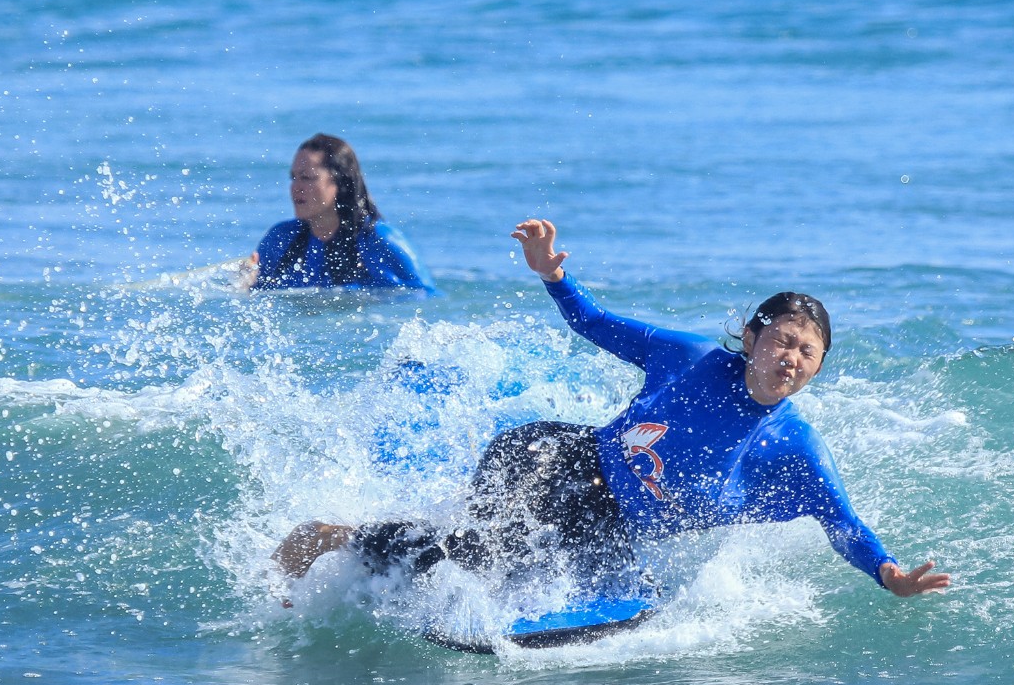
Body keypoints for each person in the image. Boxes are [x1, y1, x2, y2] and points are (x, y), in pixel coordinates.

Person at [273, 218, 951, 600]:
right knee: (470, 555)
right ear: (751, 337)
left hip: (611, 523)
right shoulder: (688, 357)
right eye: (783, 339)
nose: (793, 357)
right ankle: (330, 536)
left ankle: (373, 543)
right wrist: (553, 273)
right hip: (559, 458)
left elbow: (843, 520)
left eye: (809, 352)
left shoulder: (797, 448)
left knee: (499, 575)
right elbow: (593, 323)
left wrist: (888, 573)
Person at [246, 133, 435, 292]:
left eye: (307, 178)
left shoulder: (380, 240)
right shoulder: (281, 239)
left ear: (341, 183)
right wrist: (243, 283)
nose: (296, 187)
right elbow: (257, 295)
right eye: (293, 178)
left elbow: (425, 299)